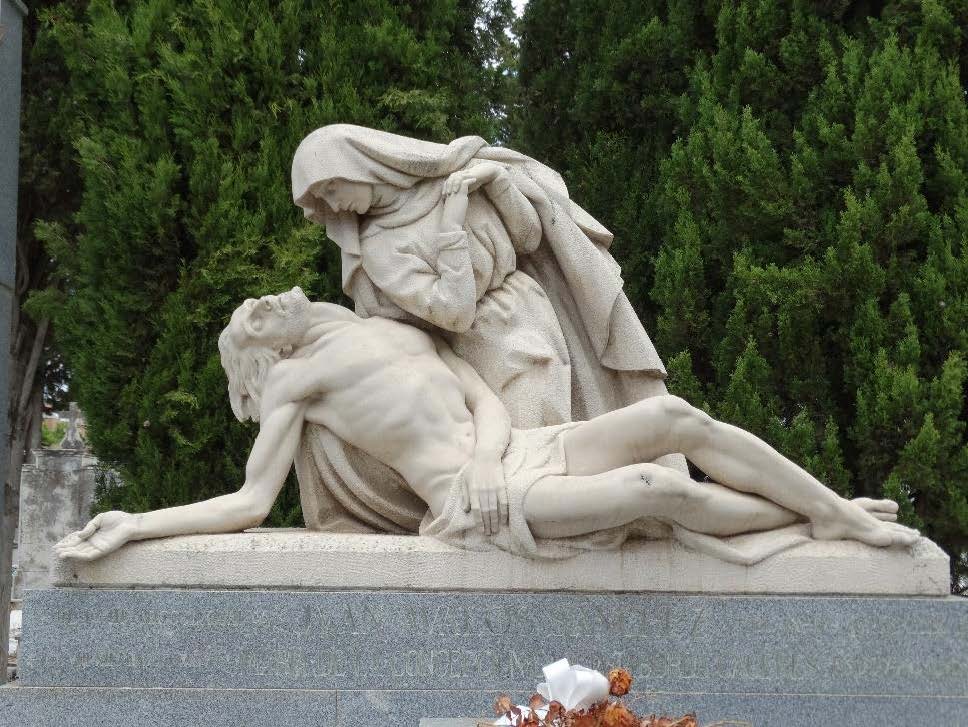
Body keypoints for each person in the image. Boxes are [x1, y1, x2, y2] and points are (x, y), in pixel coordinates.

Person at [56, 288, 918, 563]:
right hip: (480, 506)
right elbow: (248, 502)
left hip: (515, 455)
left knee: (672, 416)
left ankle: (834, 510)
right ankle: (816, 520)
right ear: (264, 351)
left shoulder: (391, 328)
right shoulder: (297, 382)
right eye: (251, 317)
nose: (264, 299)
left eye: (257, 299)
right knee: (655, 490)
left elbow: (485, 399)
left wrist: (492, 455)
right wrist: (137, 523)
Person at [291, 125, 679, 437]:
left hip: (535, 314)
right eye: (323, 199)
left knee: (569, 438)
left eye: (331, 188)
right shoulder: (378, 247)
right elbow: (455, 313)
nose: (333, 205)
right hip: (485, 345)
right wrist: (451, 227)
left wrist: (498, 181)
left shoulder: (453, 178)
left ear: (357, 164)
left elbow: (528, 238)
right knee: (538, 448)